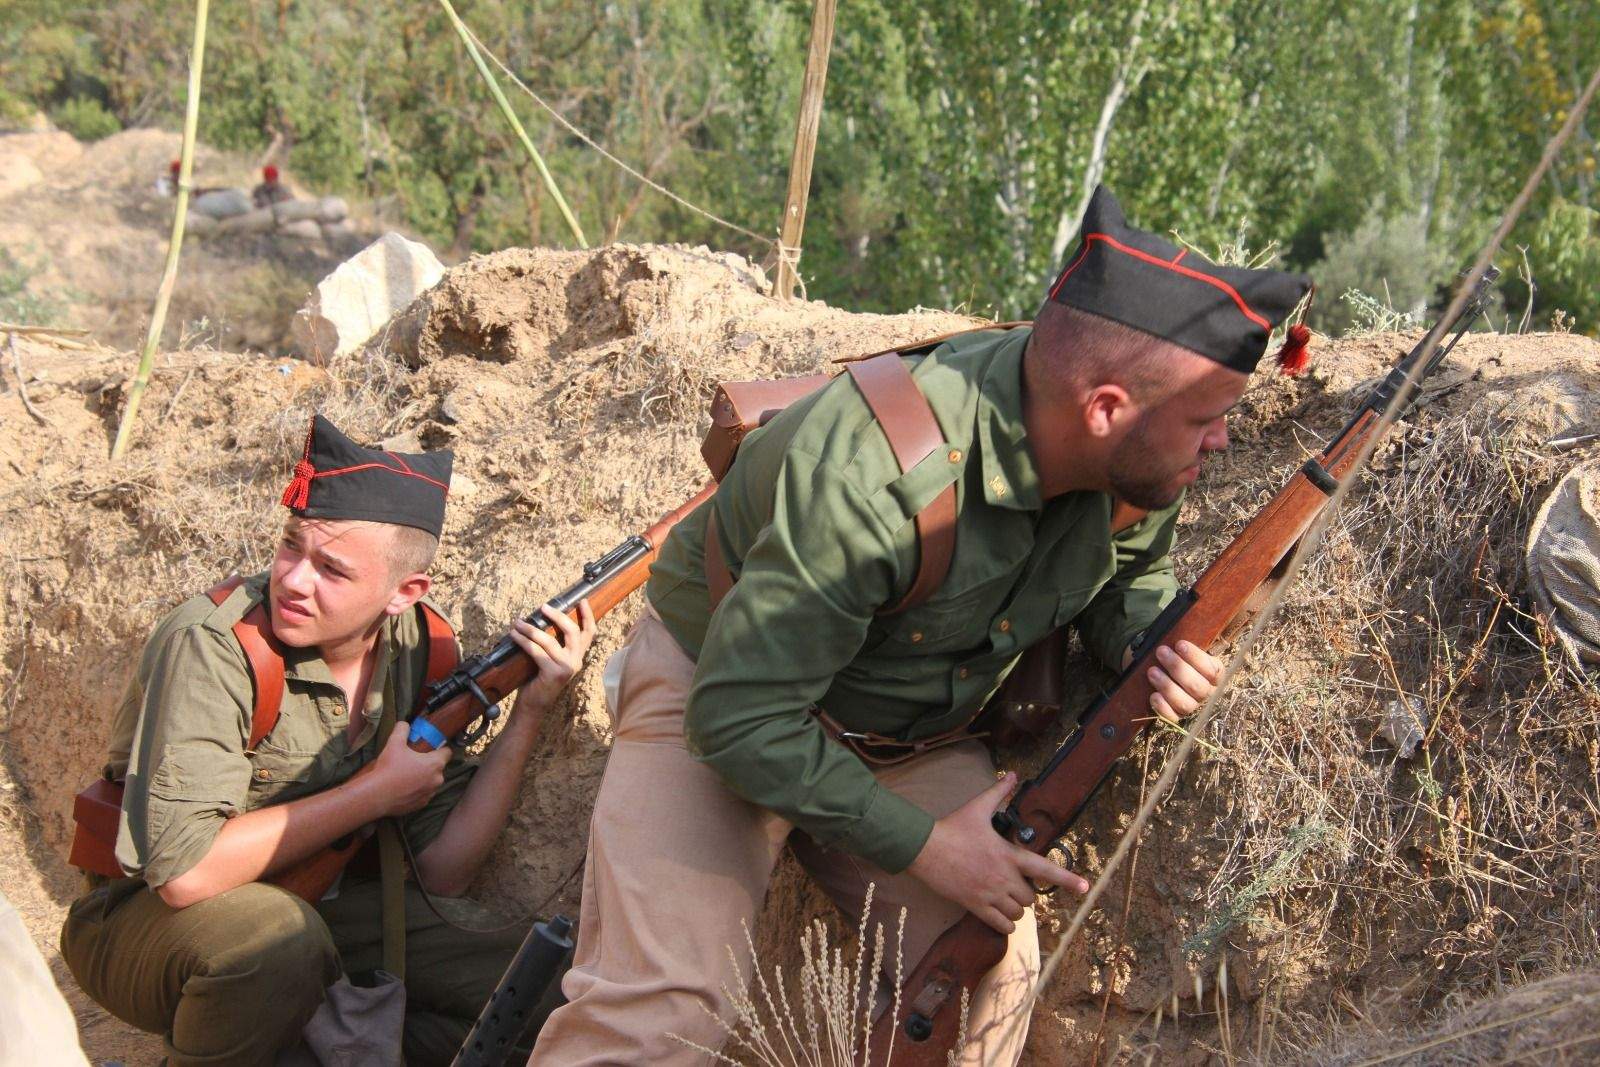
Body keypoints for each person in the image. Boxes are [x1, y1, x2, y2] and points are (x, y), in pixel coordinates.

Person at [530, 185, 1313, 1064]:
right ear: (1104, 408)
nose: (1218, 444)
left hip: (905, 732)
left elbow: (1130, 572)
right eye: (1205, 421)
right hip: (726, 690)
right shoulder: (875, 475)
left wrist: (1145, 644)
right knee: (657, 1008)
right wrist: (928, 848)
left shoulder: (1135, 458)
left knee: (990, 965)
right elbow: (741, 719)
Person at [60, 415, 596, 1067]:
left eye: (331, 569)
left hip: (328, 911)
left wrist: (530, 710)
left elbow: (441, 870)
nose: (293, 579)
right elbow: (183, 873)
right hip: (146, 922)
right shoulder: (216, 645)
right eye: (291, 547)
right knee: (278, 944)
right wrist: (373, 793)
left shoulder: (420, 649)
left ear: (405, 592)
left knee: (548, 993)